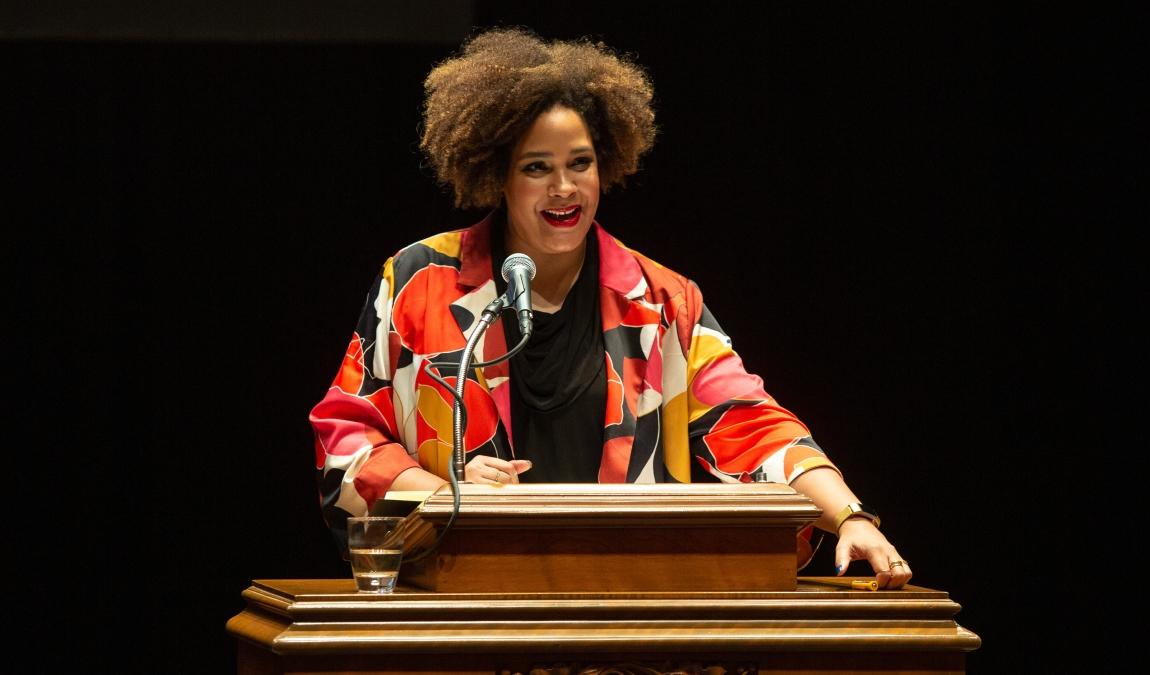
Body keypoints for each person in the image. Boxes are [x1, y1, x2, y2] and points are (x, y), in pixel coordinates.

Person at [309, 28, 912, 589]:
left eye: (580, 163)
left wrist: (850, 516)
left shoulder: (661, 299)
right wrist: (442, 492)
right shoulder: (420, 281)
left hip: (622, 603)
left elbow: (750, 422)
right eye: (536, 168)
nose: (564, 189)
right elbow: (347, 435)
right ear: (497, 177)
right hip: (469, 602)